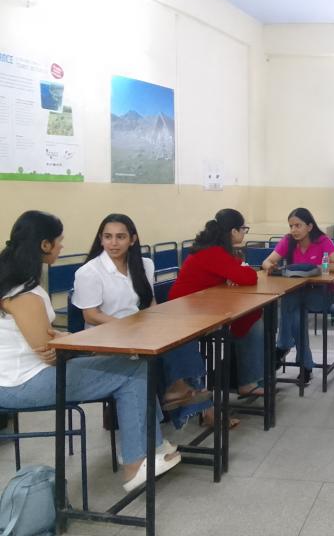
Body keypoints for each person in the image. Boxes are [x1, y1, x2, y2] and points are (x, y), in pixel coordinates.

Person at [0, 211, 180, 492]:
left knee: (136, 366)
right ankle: (136, 464)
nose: (61, 246)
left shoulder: (17, 284)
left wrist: (61, 340)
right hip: (24, 382)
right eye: (58, 241)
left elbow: (49, 341)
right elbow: (47, 351)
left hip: (21, 376)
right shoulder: (25, 294)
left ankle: (150, 446)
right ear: (45, 245)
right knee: (133, 371)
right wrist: (63, 343)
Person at [72, 213, 210, 412]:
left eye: (120, 237)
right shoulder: (89, 272)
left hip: (138, 329)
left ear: (132, 239)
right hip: (106, 335)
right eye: (108, 237)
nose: (113, 243)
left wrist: (155, 322)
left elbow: (150, 301)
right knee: (164, 346)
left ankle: (181, 393)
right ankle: (189, 398)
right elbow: (91, 315)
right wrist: (129, 326)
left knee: (181, 334)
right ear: (100, 239)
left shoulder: (144, 265)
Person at [168, 208, 261, 426]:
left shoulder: (214, 251)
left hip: (197, 309)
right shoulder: (214, 253)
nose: (244, 233)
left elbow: (236, 274)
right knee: (190, 348)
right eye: (243, 229)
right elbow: (248, 276)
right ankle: (207, 409)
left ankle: (241, 383)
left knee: (254, 315)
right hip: (182, 313)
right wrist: (236, 273)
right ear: (233, 231)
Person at [261, 208, 334, 384]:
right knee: (295, 312)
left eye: (298, 225)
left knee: (289, 303)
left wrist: (317, 268)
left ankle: (282, 346)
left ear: (310, 226)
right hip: (297, 294)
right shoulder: (288, 241)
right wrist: (270, 266)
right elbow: (267, 261)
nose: (294, 230)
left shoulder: (322, 241)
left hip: (321, 295)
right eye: (291, 226)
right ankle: (305, 364)